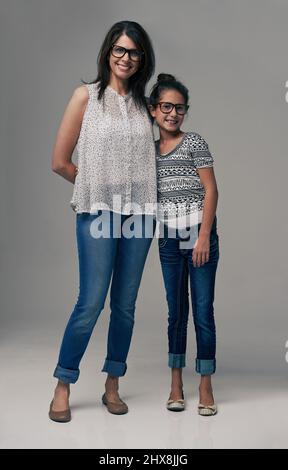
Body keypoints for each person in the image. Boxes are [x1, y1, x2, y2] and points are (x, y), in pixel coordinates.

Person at [49, 21, 157, 422]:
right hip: (98, 211)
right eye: (119, 50)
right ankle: (63, 382)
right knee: (91, 301)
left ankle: (113, 383)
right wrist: (98, 185)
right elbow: (60, 162)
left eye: (134, 52)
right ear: (108, 51)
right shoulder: (86, 97)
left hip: (142, 214)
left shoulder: (148, 107)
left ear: (142, 58)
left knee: (125, 306)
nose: (125, 58)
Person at [149, 74, 220, 416]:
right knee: (176, 312)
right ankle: (176, 383)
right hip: (168, 238)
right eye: (167, 106)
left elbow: (212, 190)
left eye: (180, 108)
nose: (173, 113)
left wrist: (204, 236)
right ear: (153, 110)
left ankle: (205, 384)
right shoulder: (148, 152)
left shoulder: (194, 142)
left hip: (198, 233)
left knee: (202, 312)